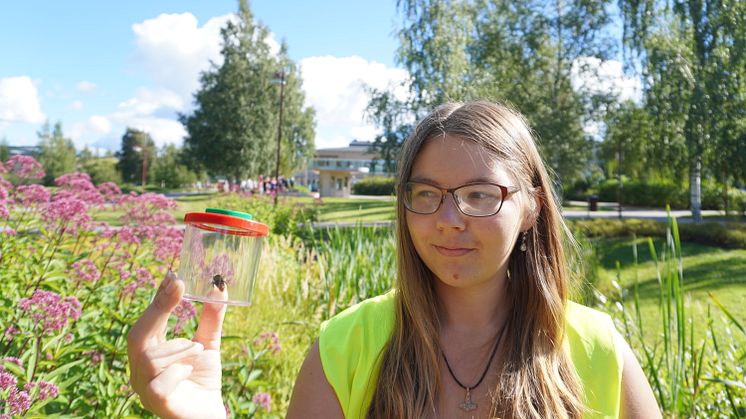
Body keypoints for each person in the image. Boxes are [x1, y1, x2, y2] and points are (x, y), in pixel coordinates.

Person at [127, 101, 661, 418]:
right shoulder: (346, 346)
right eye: (426, 193)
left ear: (529, 208)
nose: (448, 219)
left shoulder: (597, 351)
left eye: (479, 194)